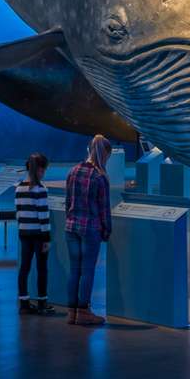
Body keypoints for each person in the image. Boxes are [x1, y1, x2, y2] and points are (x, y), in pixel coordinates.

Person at [64, 135, 112, 326]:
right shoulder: (100, 177)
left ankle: (71, 312)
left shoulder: (73, 171)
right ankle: (84, 311)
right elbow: (104, 208)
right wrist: (107, 230)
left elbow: (68, 202)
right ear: (104, 153)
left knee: (74, 270)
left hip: (71, 228)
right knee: (87, 271)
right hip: (90, 229)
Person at [14, 152, 54, 315]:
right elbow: (43, 216)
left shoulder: (19, 187)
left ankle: (24, 303)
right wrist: (47, 238)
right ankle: (42, 302)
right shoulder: (41, 189)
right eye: (43, 169)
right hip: (39, 235)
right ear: (39, 169)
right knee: (42, 268)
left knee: (24, 267)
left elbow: (18, 212)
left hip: (24, 232)